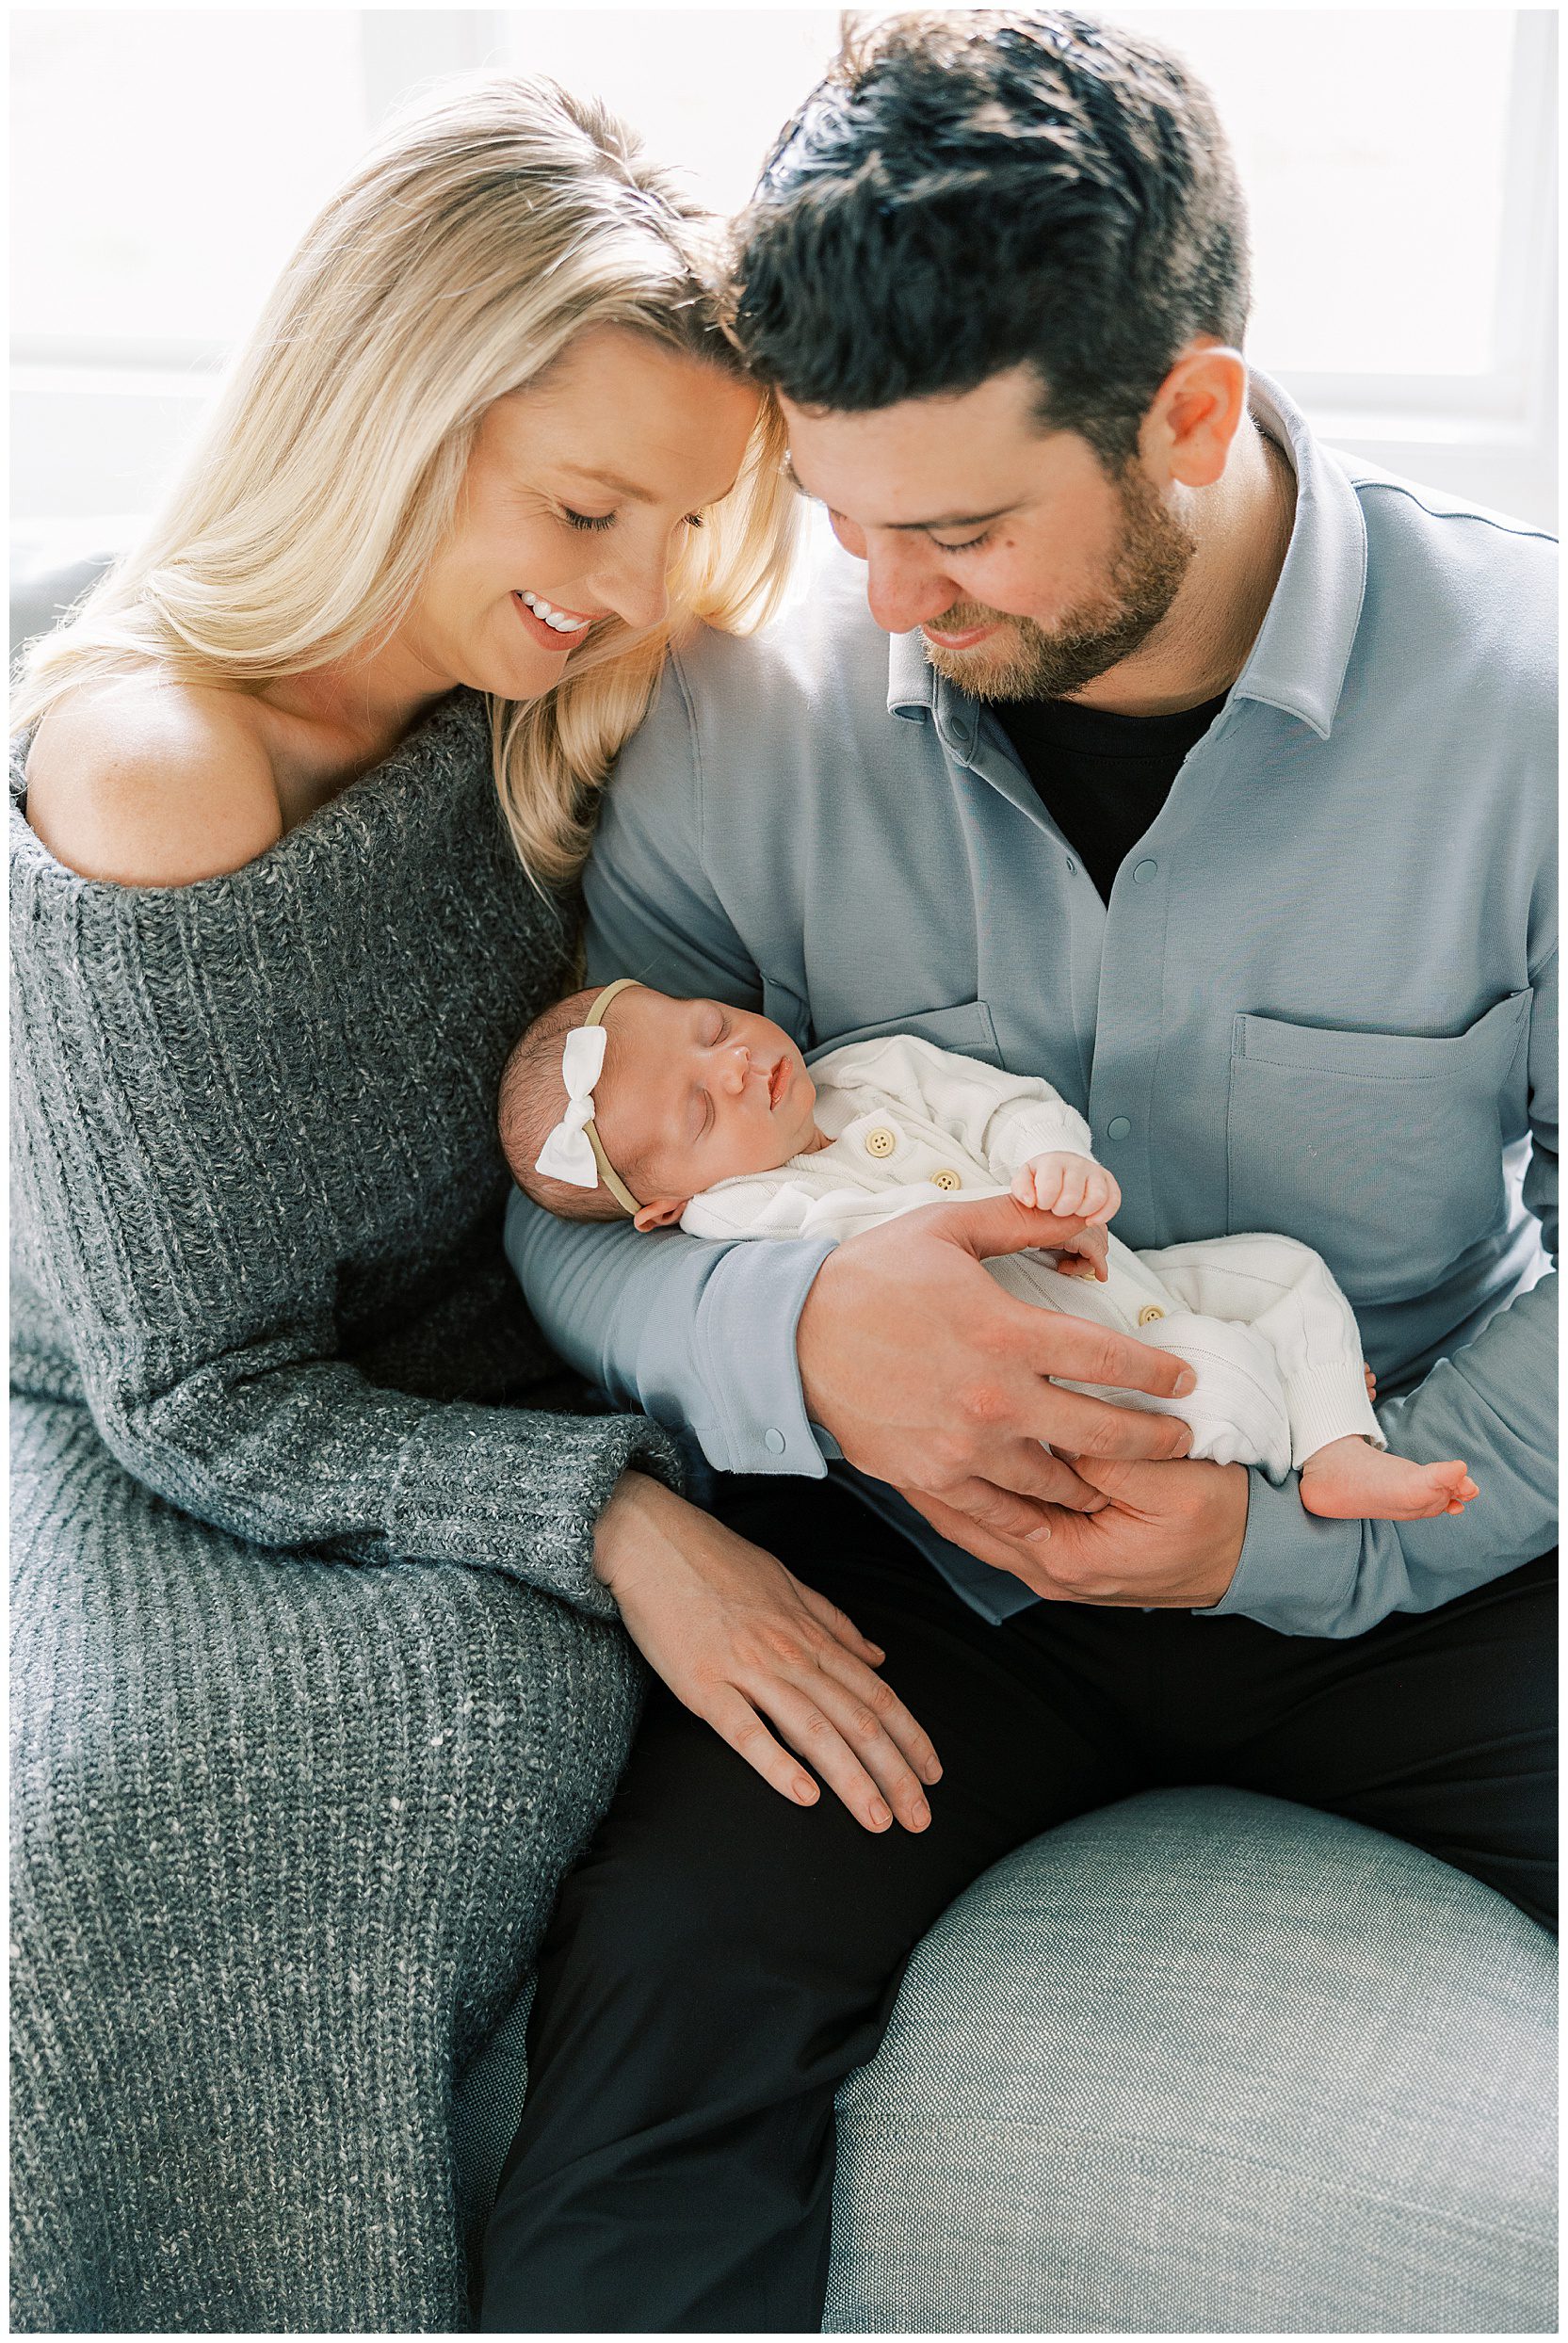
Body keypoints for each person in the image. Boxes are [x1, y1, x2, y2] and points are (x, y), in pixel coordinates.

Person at [490, 10, 1556, 2331]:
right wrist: (798, 1343)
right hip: (914, 1587)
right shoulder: (733, 699)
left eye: (958, 529)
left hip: (1411, 1545)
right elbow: (562, 1216)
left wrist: (1283, 1538)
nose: (878, 599)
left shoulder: (1526, 701)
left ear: (1183, 412)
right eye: (842, 516)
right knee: (653, 2015)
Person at [8, 70, 936, 2333]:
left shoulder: (546, 694)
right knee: (166, 1814)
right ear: (380, 408)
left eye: (677, 521)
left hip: (506, 1364)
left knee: (555, 1739)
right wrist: (620, 1521)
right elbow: (199, 1388)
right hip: (191, 1426)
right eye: (582, 504)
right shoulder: (167, 766)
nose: (622, 589)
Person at [503, 977, 1478, 1524]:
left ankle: (1338, 1446)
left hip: (1118, 1278)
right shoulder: (749, 1220)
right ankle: (1296, 1438)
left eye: (710, 1027)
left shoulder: (867, 1073)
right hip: (1053, 1390)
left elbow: (997, 1104)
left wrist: (1052, 1162)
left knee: (1285, 1270)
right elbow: (848, 1317)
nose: (735, 1061)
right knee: (1216, 1384)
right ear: (668, 1207)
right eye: (701, 1108)